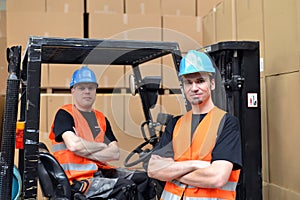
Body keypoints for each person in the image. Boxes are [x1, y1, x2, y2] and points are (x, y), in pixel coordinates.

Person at [49, 66, 156, 200]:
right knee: (126, 187)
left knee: (145, 179)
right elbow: (74, 146)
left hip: (101, 172)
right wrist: (101, 146)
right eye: (82, 88)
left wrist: (86, 148)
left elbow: (115, 153)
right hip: (77, 180)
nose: (87, 92)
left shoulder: (101, 119)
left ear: (95, 90)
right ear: (73, 91)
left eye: (91, 88)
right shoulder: (65, 114)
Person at [147, 50, 242, 200]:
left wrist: (172, 173)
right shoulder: (176, 124)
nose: (194, 88)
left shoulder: (226, 123)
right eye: (188, 83)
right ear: (183, 87)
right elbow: (153, 169)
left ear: (212, 83)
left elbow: (217, 177)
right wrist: (195, 164)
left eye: (200, 81)